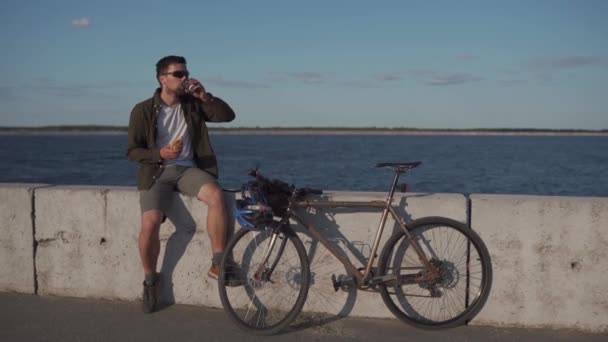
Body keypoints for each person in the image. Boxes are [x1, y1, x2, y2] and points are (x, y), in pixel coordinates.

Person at [127, 55, 235, 313]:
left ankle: (219, 262)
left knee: (216, 196)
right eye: (178, 74)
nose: (184, 78)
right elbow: (132, 151)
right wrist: (159, 154)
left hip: (188, 169)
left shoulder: (193, 104)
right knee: (150, 223)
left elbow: (227, 116)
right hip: (156, 171)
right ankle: (151, 279)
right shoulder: (142, 110)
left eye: (185, 73)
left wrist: (204, 96)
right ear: (162, 78)